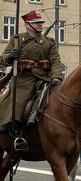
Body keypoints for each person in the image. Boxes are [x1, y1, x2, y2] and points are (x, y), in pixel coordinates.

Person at [0, 11, 64, 153]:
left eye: (41, 23)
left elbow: (55, 61)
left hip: (45, 78)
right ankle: (15, 133)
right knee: (18, 100)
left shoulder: (49, 42)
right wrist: (10, 57)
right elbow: (2, 58)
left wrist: (56, 77)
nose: (40, 25)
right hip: (24, 79)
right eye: (36, 23)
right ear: (27, 25)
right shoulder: (17, 40)